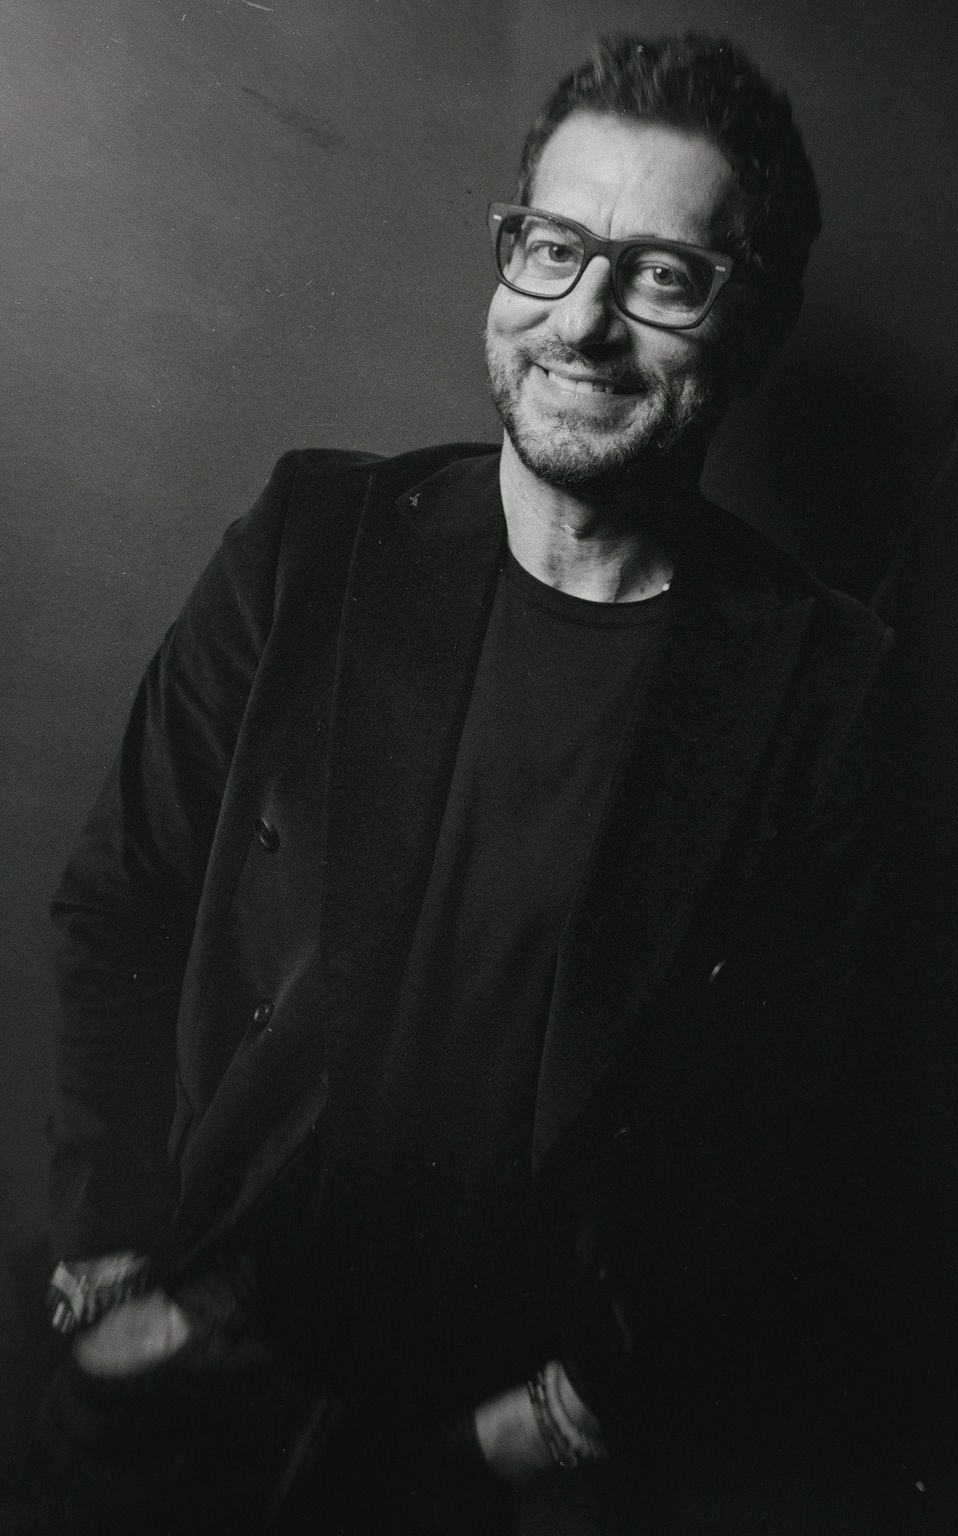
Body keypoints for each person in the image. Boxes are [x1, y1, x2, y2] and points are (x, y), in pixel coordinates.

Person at [39, 32, 894, 1535]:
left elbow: (780, 1140)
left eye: (663, 275)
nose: (584, 319)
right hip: (201, 1345)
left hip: (495, 1445)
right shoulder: (312, 541)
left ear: (753, 326)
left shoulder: (822, 688)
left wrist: (549, 1424)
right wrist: (110, 1268)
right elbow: (124, 903)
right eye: (554, 247)